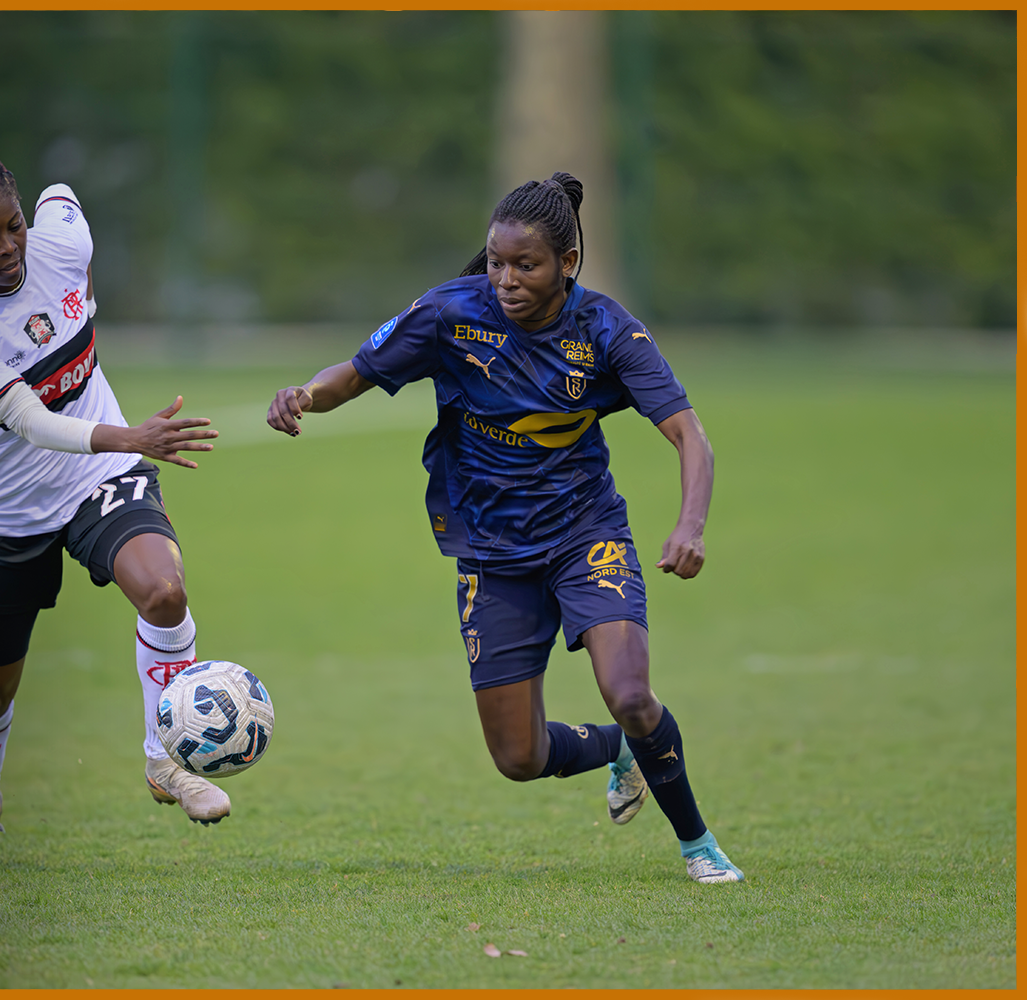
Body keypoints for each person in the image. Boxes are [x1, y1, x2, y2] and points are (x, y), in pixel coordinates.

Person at [266, 172, 743, 883]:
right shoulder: (449, 314)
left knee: (631, 694)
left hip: (585, 535)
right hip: (491, 553)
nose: (506, 280)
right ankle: (619, 751)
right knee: (518, 758)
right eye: (496, 262)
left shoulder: (607, 330)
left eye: (526, 265)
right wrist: (304, 395)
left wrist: (691, 526)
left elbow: (689, 434)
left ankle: (698, 844)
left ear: (567, 264)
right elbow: (356, 374)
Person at [0, 140, 233, 866]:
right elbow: (30, 422)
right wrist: (130, 434)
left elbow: (63, 195)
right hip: (8, 511)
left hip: (98, 478)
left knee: (164, 591)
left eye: (14, 224)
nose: (8, 247)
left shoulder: (61, 244)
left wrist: (74, 268)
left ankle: (165, 759)